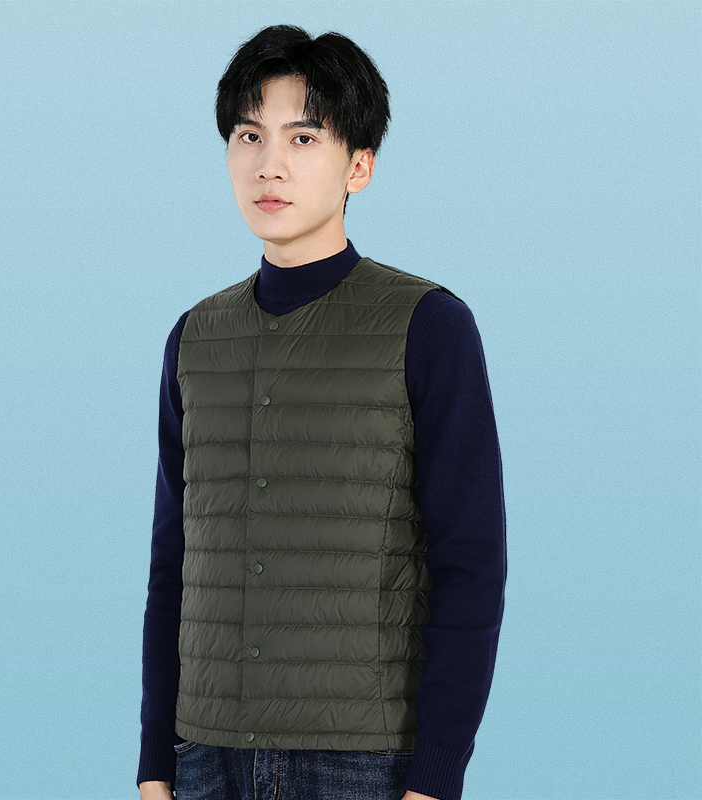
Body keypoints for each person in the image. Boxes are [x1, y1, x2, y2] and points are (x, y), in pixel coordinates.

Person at [137, 24, 506, 800]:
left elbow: (470, 565)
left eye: (303, 138)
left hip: (362, 763)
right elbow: (174, 564)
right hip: (205, 756)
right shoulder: (194, 337)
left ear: (359, 166)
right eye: (249, 135)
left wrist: (436, 776)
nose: (268, 164)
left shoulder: (429, 326)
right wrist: (155, 762)